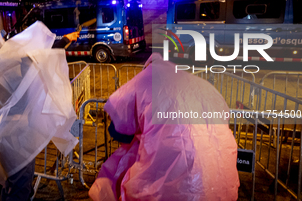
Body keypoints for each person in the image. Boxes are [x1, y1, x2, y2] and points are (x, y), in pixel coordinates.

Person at [89, 53, 239, 201]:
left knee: (130, 159)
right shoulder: (200, 85)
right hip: (222, 181)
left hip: (170, 181)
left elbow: (118, 129)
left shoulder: (146, 77)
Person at [0, 21, 80, 201]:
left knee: (11, 185)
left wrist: (64, 40)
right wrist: (65, 40)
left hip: (0, 137)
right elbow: (39, 58)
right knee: (20, 186)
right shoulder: (8, 66)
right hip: (18, 136)